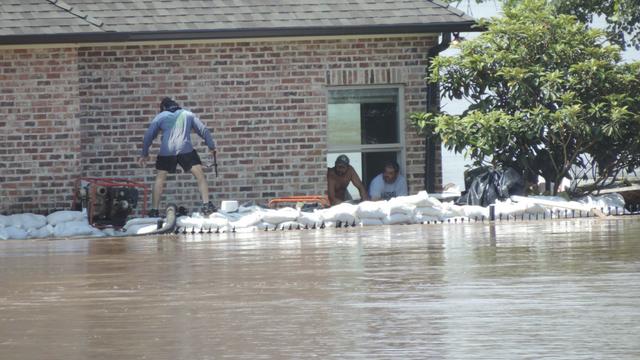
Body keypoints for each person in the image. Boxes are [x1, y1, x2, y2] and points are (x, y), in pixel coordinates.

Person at [138, 97, 217, 217]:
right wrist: (211, 146)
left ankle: (154, 210)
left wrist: (144, 154)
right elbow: (203, 130)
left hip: (166, 151)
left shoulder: (160, 116)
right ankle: (206, 205)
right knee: (200, 176)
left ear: (163, 108)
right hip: (185, 149)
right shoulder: (187, 114)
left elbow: (149, 135)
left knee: (160, 178)